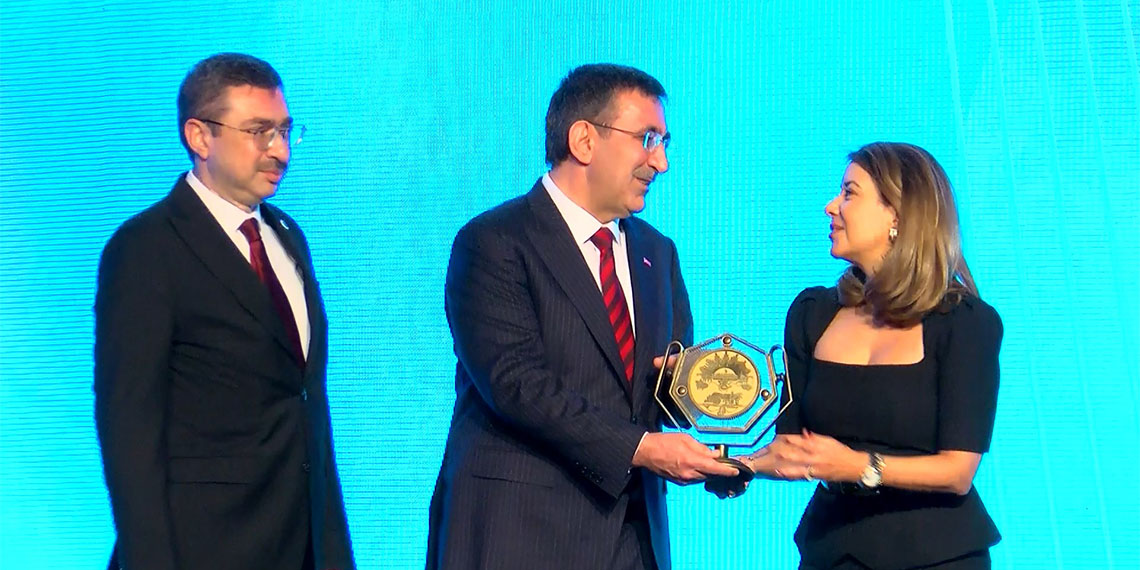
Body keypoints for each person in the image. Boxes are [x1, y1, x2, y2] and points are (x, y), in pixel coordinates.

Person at [425, 63, 737, 570]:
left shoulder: (657, 253)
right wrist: (642, 449)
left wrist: (728, 435)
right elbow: (517, 385)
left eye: (665, 143)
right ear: (584, 140)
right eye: (648, 139)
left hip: (633, 542)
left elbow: (666, 391)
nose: (661, 162)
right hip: (521, 535)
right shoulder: (494, 242)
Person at [94, 53, 355, 570]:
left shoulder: (287, 236)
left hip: (302, 544)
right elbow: (129, 429)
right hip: (204, 548)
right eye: (259, 132)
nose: (280, 150)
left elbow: (304, 404)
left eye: (285, 131)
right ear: (199, 136)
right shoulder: (146, 248)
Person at [739, 142, 1002, 569]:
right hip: (832, 550)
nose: (831, 207)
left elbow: (957, 472)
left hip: (937, 554)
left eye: (849, 193)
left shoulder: (965, 323)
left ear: (897, 214)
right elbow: (792, 448)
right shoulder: (813, 313)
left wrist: (859, 466)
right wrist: (735, 465)